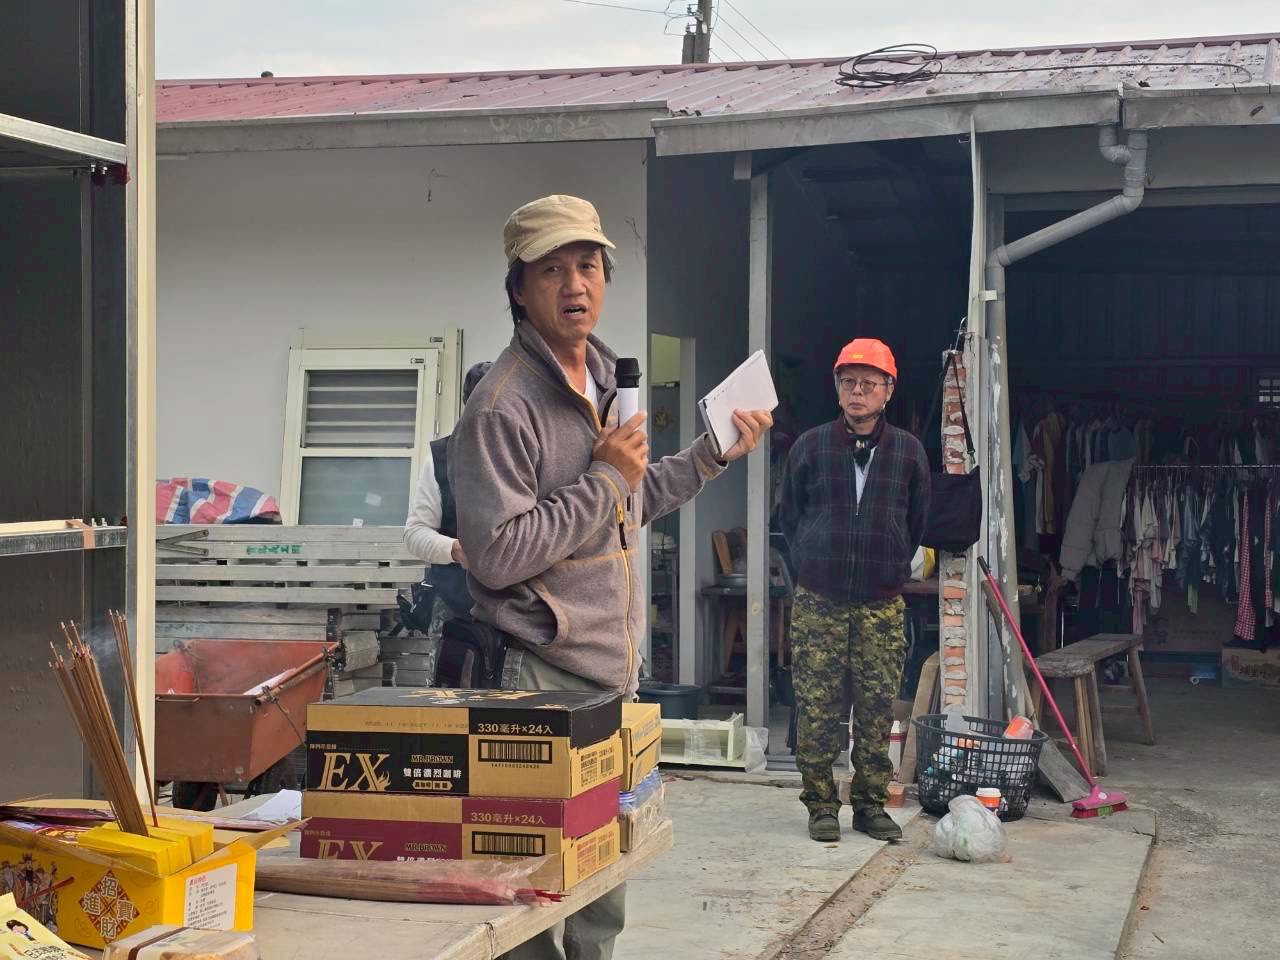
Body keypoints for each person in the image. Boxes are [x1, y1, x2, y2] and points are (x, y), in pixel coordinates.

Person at [451, 194, 772, 960]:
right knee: (531, 894)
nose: (575, 284)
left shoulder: (604, 380)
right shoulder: (501, 407)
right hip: (536, 677)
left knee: (602, 888)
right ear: (519, 287)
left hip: (608, 677)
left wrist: (709, 455)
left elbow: (626, 502)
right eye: (553, 269)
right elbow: (496, 553)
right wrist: (602, 479)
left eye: (589, 265)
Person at [780, 338, 930, 843]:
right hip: (819, 601)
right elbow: (789, 516)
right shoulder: (811, 446)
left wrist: (891, 560)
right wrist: (813, 561)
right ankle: (821, 804)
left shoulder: (908, 451)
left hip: (880, 603)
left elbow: (917, 519)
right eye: (848, 382)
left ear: (889, 390)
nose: (857, 391)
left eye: (868, 383)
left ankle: (870, 805)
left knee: (875, 708)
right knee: (818, 706)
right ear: (836, 388)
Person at [404, 360, 494, 622]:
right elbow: (415, 533)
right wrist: (455, 549)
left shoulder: (527, 455)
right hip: (455, 607)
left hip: (518, 609)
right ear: (468, 406)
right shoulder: (442, 457)